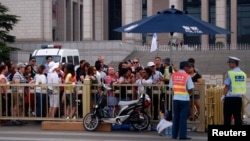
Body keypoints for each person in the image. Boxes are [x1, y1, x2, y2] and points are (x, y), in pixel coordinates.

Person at [169, 61, 194, 140]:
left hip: (176, 98)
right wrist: (188, 94)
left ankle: (174, 135)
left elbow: (171, 86)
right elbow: (190, 88)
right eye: (188, 67)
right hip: (184, 99)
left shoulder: (173, 75)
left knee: (176, 117)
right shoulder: (187, 76)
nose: (189, 69)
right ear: (185, 67)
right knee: (183, 118)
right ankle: (182, 135)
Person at [222, 56, 246, 125]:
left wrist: (223, 96)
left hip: (229, 98)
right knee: (238, 117)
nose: (228, 64)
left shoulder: (230, 73)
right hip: (239, 98)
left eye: (229, 63)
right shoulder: (243, 73)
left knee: (227, 117)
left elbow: (226, 86)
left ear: (233, 63)